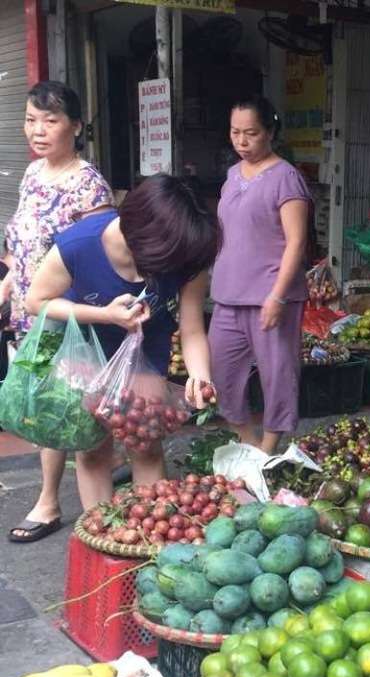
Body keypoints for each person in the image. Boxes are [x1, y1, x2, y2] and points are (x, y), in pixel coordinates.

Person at [25, 174, 221, 509]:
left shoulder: (186, 254)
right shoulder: (79, 245)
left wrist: (200, 375)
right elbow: (37, 302)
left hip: (145, 352)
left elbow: (191, 329)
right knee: (92, 449)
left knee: (144, 444)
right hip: (87, 351)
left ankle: (150, 535)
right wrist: (105, 315)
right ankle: (101, 533)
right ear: (143, 239)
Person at [1, 81, 113, 543]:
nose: (38, 130)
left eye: (50, 120)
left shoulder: (89, 186)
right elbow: (22, 249)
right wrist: (7, 283)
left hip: (64, 320)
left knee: (59, 405)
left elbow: (102, 258)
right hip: (30, 314)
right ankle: (64, 491)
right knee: (43, 401)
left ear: (76, 126)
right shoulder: (33, 174)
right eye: (31, 120)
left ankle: (50, 501)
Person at [209, 96, 310, 453]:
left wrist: (278, 295)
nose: (241, 141)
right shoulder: (232, 174)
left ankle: (267, 451)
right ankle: (247, 442)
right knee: (222, 373)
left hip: (271, 296)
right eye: (235, 132)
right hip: (227, 295)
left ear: (269, 132)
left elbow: (296, 243)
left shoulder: (286, 178)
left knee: (278, 375)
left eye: (251, 133)